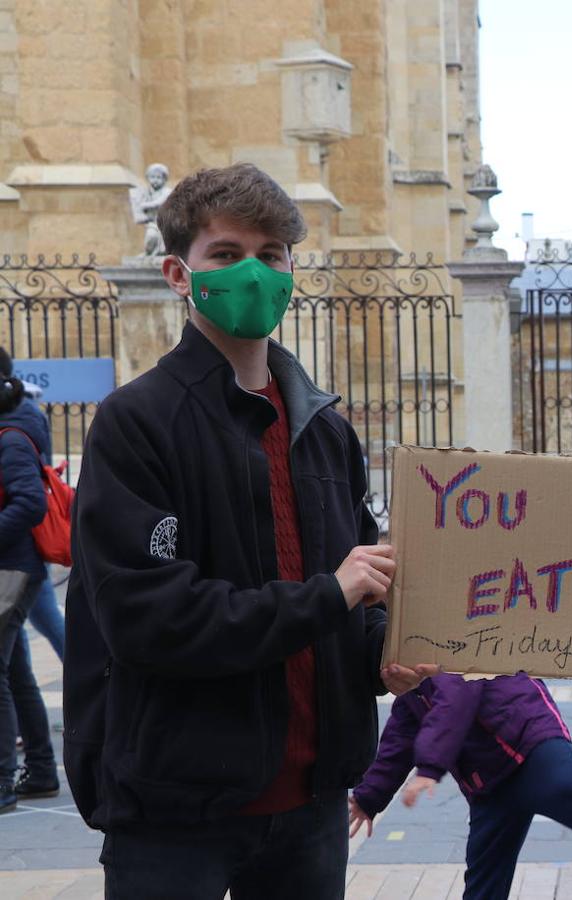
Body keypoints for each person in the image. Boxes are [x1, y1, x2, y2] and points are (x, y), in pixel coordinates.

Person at [63, 163, 435, 898]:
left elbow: (360, 591)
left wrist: (382, 657)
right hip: (177, 809)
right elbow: (150, 618)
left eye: (272, 255)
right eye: (228, 255)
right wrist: (331, 595)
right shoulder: (137, 425)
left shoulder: (325, 430)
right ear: (178, 274)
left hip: (312, 803)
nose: (255, 274)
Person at [350, 672, 572, 900]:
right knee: (485, 875)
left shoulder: (437, 642)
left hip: (527, 741)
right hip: (488, 781)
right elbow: (400, 734)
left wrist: (429, 767)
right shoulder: (406, 678)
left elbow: (456, 698)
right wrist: (369, 798)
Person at [0, 368, 56, 814]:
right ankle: (39, 770)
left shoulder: (12, 438)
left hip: (13, 569)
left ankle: (3, 781)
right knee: (16, 672)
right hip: (12, 568)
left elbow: (30, 503)